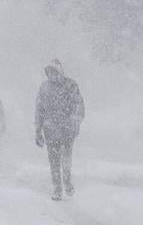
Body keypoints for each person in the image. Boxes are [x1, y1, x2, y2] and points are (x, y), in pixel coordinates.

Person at [34, 59, 84, 201]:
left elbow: (78, 105)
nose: (52, 74)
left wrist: (75, 121)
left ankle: (67, 182)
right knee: (54, 161)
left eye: (54, 71)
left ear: (60, 71)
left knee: (66, 159)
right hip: (50, 130)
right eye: (49, 72)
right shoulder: (44, 87)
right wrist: (38, 131)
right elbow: (39, 110)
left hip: (67, 130)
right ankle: (57, 189)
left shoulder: (70, 85)